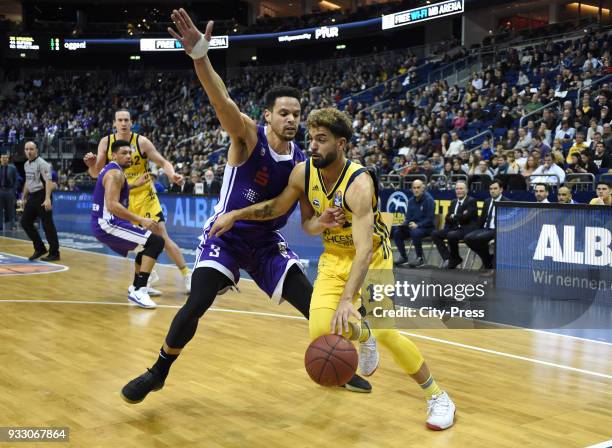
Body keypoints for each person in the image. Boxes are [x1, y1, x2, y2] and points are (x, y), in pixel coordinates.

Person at [120, 9, 374, 405]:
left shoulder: (303, 163)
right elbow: (220, 99)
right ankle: (158, 372)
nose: (291, 119)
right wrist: (200, 56)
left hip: (265, 241)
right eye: (284, 113)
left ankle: (340, 365)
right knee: (197, 303)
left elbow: (305, 225)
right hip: (227, 235)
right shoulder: (246, 137)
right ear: (268, 115)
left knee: (312, 304)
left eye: (296, 114)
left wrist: (321, 222)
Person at [210, 107, 456, 430]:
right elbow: (287, 214)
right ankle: (361, 333)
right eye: (311, 138)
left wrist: (347, 300)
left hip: (373, 261)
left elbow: (365, 251)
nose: (312, 145)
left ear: (341, 144)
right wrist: (237, 215)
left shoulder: (359, 184)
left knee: (386, 332)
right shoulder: (303, 173)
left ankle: (438, 396)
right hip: (333, 260)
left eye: (321, 140)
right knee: (320, 331)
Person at [83, 109, 192, 294]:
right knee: (139, 243)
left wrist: (172, 174)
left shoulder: (141, 141)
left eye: (126, 120)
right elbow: (95, 174)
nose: (123, 123)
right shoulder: (107, 142)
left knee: (161, 237)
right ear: (114, 123)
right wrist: (92, 164)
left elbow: (163, 162)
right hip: (123, 199)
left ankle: (187, 275)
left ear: (131, 122)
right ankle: (144, 280)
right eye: (120, 120)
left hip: (144, 197)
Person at [91, 140, 165, 308]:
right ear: (114, 155)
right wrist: (141, 220)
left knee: (145, 246)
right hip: (108, 223)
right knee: (156, 241)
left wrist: (133, 185)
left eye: (130, 153)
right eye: (124, 153)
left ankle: (136, 286)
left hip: (103, 222)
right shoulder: (115, 174)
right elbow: (112, 205)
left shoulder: (113, 171)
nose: (129, 156)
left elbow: (114, 188)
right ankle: (140, 291)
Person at [20, 141, 60, 261]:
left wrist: (47, 198)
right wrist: (24, 197)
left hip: (43, 195)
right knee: (25, 222)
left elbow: (48, 182)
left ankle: (54, 253)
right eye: (26, 149)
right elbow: (28, 181)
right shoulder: (26, 164)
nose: (29, 151)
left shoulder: (43, 164)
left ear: (36, 150)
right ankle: (40, 248)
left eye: (31, 149)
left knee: (48, 225)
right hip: (32, 196)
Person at [431, 180, 478, 269]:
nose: (458, 191)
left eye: (461, 188)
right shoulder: (453, 202)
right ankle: (448, 258)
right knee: (435, 234)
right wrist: (457, 216)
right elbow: (447, 218)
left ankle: (455, 258)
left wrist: (454, 216)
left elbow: (466, 218)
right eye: (457, 189)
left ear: (466, 190)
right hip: (453, 227)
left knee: (451, 235)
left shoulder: (471, 201)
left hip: (466, 229)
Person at [464, 180, 508, 271]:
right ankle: (488, 260)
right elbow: (482, 218)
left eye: (495, 188)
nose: (492, 191)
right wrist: (476, 230)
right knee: (468, 238)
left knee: (479, 238)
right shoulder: (487, 201)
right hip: (485, 228)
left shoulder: (506, 202)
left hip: (497, 230)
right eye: (491, 189)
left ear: (501, 190)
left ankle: (487, 263)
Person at [393, 179, 435, 267]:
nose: (416, 190)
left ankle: (420, 258)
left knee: (415, 233)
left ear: (423, 188)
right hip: (413, 227)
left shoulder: (429, 200)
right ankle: (403, 257)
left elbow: (430, 219)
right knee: (397, 232)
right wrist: (404, 224)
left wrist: (418, 225)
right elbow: (408, 218)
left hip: (426, 228)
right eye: (414, 188)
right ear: (412, 189)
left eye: (418, 188)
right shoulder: (411, 201)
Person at [0, 153, 18, 231]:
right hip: (0, 190)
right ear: (0, 159)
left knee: (11, 209)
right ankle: (0, 226)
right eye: (3, 158)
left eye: (6, 158)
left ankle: (12, 225)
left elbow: (16, 181)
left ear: (8, 159)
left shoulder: (12, 168)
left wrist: (13, 191)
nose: (4, 159)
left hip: (9, 190)